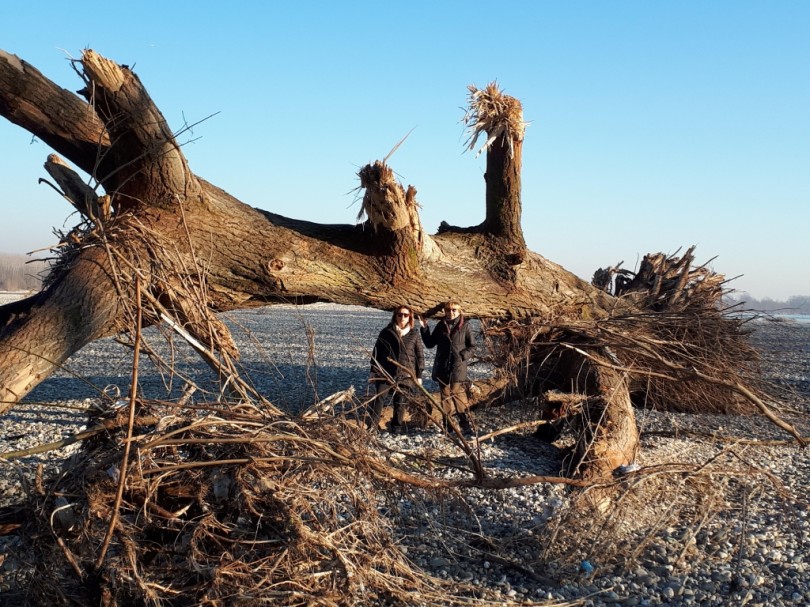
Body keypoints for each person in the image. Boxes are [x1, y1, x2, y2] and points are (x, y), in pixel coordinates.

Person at [419, 300, 475, 433]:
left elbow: (472, 346)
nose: (451, 312)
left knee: (455, 393)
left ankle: (465, 424)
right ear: (445, 311)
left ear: (459, 311)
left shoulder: (465, 325)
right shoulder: (441, 325)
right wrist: (424, 328)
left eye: (454, 310)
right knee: (444, 395)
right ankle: (448, 425)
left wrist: (461, 356)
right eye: (448, 310)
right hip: (442, 365)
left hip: (458, 366)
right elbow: (430, 343)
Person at [369, 305, 425, 432]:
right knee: (379, 398)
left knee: (400, 402)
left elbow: (420, 356)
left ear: (410, 317)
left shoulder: (414, 334)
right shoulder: (386, 332)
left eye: (405, 315)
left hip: (405, 373)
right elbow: (376, 352)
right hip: (385, 371)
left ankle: (396, 427)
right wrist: (373, 371)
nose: (402, 317)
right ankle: (373, 426)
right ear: (395, 316)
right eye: (400, 314)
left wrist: (419, 375)